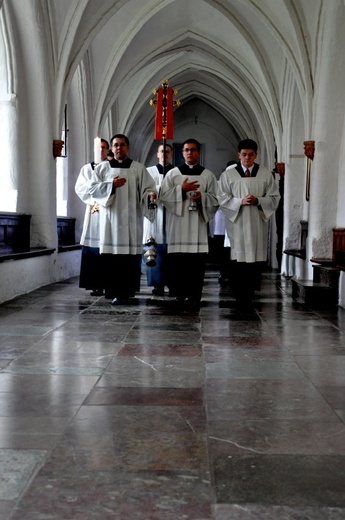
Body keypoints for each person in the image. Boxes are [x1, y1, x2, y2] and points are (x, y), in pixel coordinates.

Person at [87, 134, 157, 304]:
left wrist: (151, 196)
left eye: (123, 145)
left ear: (128, 147)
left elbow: (148, 189)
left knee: (129, 259)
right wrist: (111, 186)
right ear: (112, 148)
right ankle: (113, 292)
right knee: (112, 258)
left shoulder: (138, 168)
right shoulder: (102, 168)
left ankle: (129, 290)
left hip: (132, 220)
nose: (119, 148)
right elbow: (92, 189)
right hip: (110, 221)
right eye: (116, 145)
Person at [218, 138, 280, 315]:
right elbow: (221, 198)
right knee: (238, 263)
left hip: (257, 224)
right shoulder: (228, 175)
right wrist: (240, 201)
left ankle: (250, 296)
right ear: (238, 155)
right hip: (237, 225)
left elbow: (274, 198)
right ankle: (239, 297)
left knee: (254, 264)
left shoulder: (265, 174)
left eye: (251, 155)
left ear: (256, 155)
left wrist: (259, 200)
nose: (247, 158)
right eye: (244, 155)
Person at [160, 138, 219, 306]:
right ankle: (179, 294)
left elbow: (216, 199)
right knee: (178, 263)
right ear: (182, 153)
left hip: (198, 225)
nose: (190, 153)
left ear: (198, 153)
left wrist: (203, 198)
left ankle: (194, 295)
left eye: (193, 150)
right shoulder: (173, 174)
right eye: (186, 150)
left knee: (196, 264)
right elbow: (163, 197)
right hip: (177, 225)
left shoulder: (208, 175)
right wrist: (181, 190)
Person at [75, 138, 109, 296]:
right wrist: (96, 194)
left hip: (109, 211)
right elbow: (80, 188)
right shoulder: (87, 169)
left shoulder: (112, 167)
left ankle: (109, 284)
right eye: (98, 148)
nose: (101, 151)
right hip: (94, 211)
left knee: (108, 249)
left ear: (108, 150)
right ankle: (95, 284)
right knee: (93, 248)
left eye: (104, 148)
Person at [143, 143, 174, 296]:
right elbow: (141, 192)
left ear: (171, 154)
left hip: (172, 215)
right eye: (162, 151)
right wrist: (149, 195)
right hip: (154, 215)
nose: (164, 154)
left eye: (167, 152)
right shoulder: (148, 172)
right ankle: (157, 284)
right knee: (154, 250)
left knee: (171, 253)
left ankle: (172, 283)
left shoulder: (176, 173)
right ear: (157, 154)